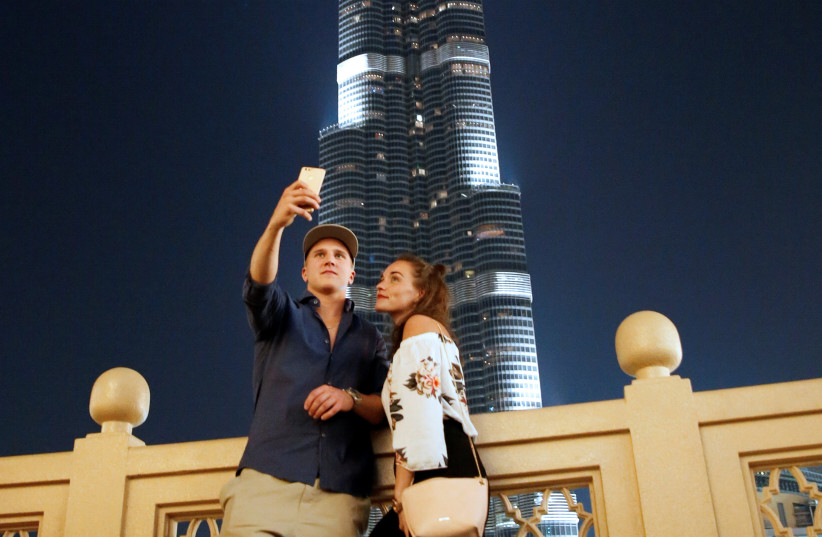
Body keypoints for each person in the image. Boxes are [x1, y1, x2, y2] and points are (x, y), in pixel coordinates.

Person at [219, 178, 389, 537]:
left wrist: (350, 398)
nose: (330, 260)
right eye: (319, 255)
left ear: (351, 273)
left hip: (337, 498)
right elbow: (260, 282)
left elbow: (386, 407)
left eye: (339, 256)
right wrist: (277, 224)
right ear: (304, 272)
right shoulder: (281, 315)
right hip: (264, 486)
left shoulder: (370, 337)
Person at [370, 254, 487, 537]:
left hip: (438, 472)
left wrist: (401, 496)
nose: (380, 284)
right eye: (383, 278)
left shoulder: (417, 325)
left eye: (395, 278)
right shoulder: (429, 331)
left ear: (420, 293)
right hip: (453, 467)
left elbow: (417, 412)